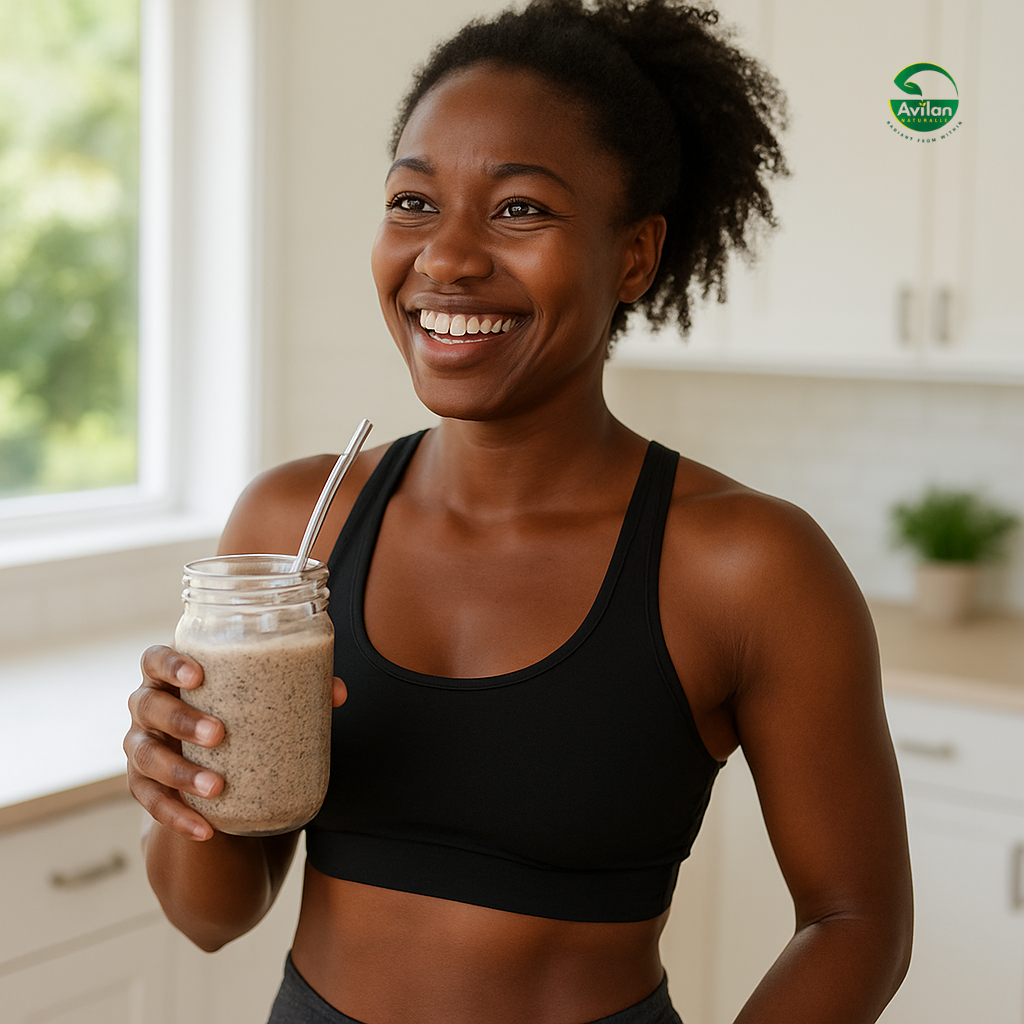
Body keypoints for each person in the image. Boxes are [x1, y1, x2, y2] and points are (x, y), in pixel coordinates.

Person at [124, 1, 913, 1022]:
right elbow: (211, 915)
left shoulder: (743, 563)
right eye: (413, 202)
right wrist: (184, 787)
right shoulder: (296, 526)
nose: (445, 257)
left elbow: (857, 919)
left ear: (634, 256)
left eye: (520, 210)